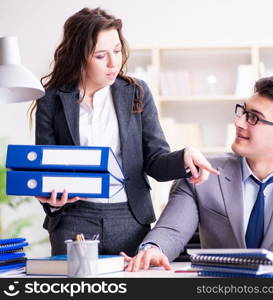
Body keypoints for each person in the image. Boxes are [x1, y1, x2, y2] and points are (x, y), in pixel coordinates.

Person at [30, 7, 219, 256]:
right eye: (100, 56)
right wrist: (52, 202)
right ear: (79, 56)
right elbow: (48, 167)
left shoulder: (136, 92)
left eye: (117, 50)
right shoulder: (52, 100)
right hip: (73, 220)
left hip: (130, 219)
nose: (113, 63)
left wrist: (185, 156)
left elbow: (155, 161)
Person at [124, 76, 273, 271]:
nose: (239, 122)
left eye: (253, 118)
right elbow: (171, 231)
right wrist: (152, 249)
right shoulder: (202, 172)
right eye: (243, 112)